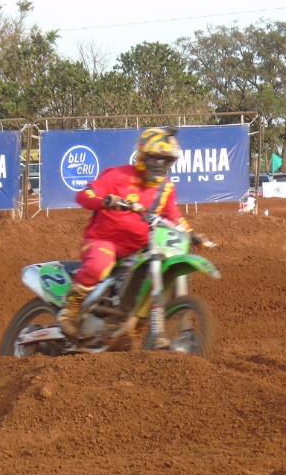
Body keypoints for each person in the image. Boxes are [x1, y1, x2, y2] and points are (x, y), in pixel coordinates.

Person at [57, 126, 200, 341]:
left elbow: (173, 215)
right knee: (99, 264)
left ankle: (132, 321)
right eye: (155, 159)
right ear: (143, 156)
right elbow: (85, 195)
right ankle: (71, 308)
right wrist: (105, 200)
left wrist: (191, 233)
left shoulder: (166, 188)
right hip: (104, 241)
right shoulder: (117, 176)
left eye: (166, 160)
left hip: (141, 249)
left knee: (161, 271)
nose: (160, 165)